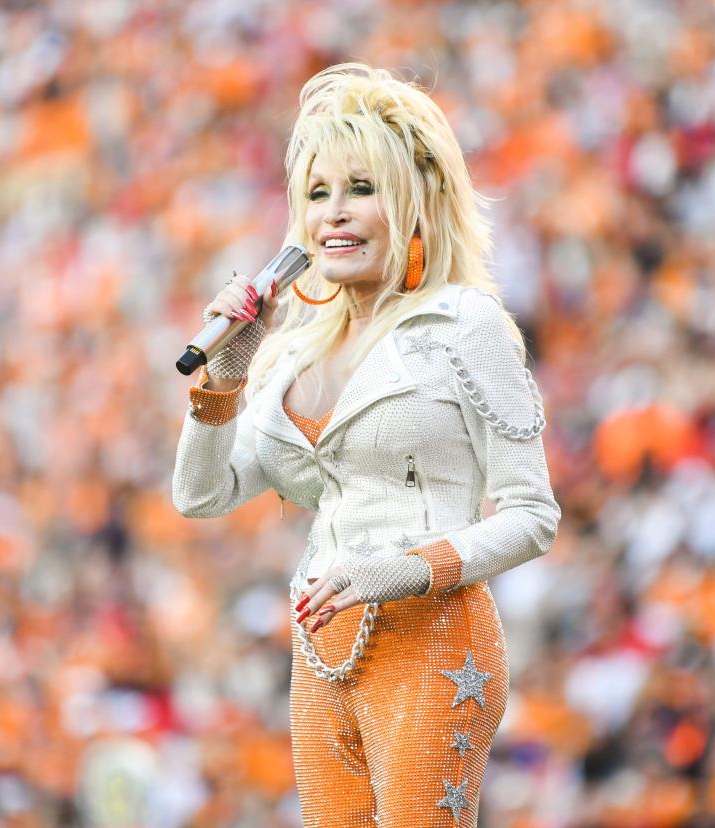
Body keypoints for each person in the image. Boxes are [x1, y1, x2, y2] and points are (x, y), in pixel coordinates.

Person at [172, 63, 560, 827]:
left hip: (435, 641)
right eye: (317, 194)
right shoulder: (290, 352)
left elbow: (533, 514)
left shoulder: (464, 326)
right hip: (321, 651)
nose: (334, 216)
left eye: (361, 188)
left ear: (416, 202)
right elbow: (201, 494)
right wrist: (227, 375)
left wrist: (406, 569)